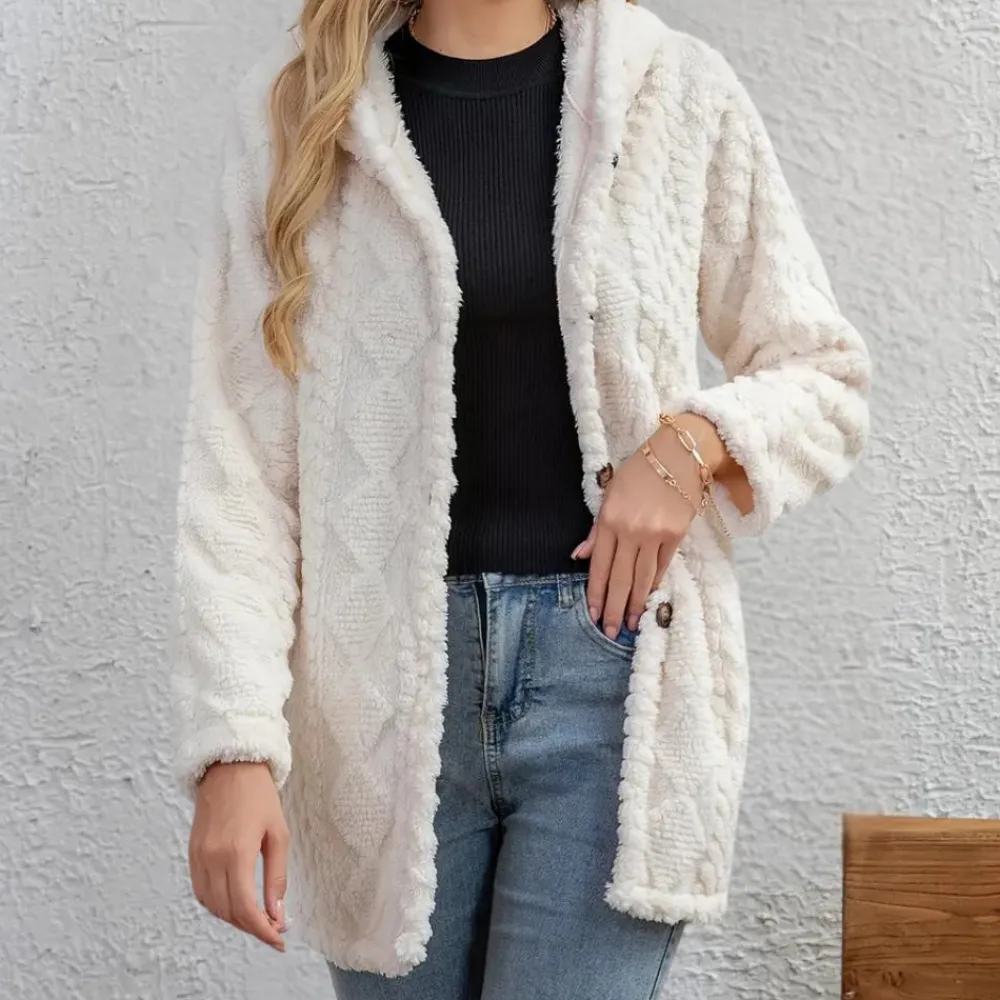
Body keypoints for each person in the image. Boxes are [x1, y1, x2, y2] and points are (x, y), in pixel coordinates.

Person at [172, 0, 871, 996]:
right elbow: (238, 467)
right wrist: (234, 745)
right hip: (376, 712)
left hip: (613, 687)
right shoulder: (297, 113)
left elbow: (823, 374)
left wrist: (689, 448)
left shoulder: (674, 90)